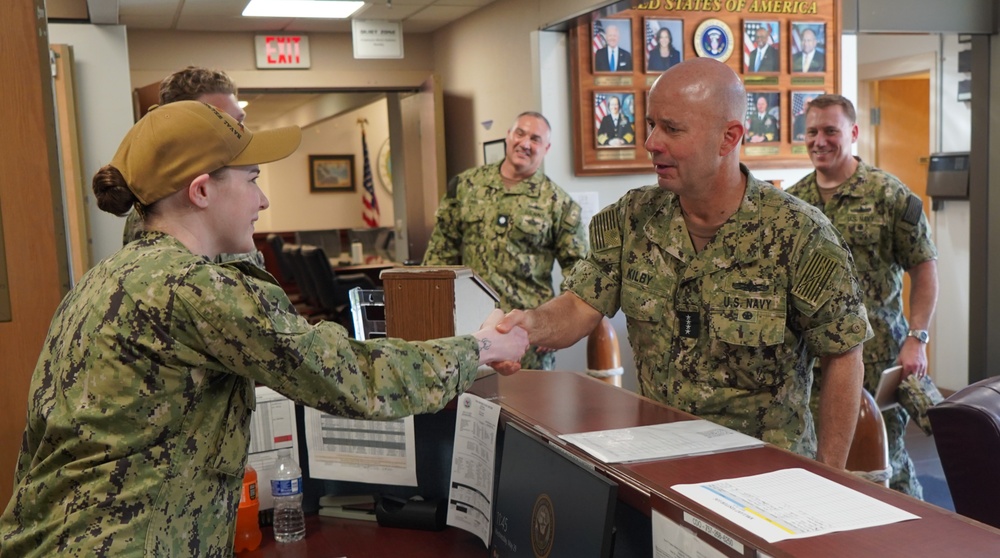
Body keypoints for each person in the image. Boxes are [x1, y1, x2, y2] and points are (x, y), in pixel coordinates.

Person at [0, 101, 529, 557]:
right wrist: (481, 345)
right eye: (252, 180)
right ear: (202, 190)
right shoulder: (195, 288)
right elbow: (353, 376)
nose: (264, 200)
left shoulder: (110, 277)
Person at [495, 58, 872, 470]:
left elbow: (843, 352)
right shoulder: (632, 217)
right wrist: (527, 326)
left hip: (764, 473)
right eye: (652, 124)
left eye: (672, 129)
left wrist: (830, 473)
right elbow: (579, 305)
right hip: (660, 459)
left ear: (728, 137)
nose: (652, 142)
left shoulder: (800, 233)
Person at [786, 94, 938, 497]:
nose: (820, 140)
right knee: (820, 461)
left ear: (852, 133)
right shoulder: (792, 202)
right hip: (813, 362)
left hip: (878, 355)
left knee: (888, 461)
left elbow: (924, 268)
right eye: (812, 132)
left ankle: (910, 538)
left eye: (830, 131)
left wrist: (917, 339)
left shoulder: (889, 196)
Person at [423, 112, 587, 371]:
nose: (525, 143)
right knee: (469, 406)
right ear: (508, 136)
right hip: (469, 328)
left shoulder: (559, 203)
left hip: (527, 334)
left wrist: (557, 324)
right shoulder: (466, 186)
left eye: (535, 138)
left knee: (530, 407)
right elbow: (440, 252)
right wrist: (433, 312)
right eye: (519, 133)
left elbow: (580, 273)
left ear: (546, 148)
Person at [122, 66, 246, 247]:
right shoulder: (160, 208)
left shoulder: (231, 192)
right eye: (221, 123)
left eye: (239, 122)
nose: (239, 134)